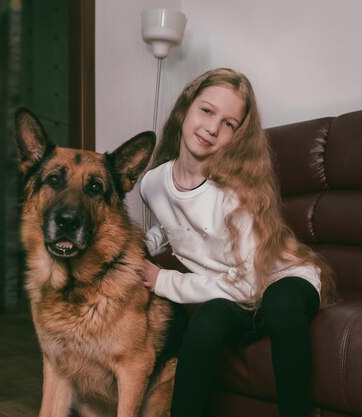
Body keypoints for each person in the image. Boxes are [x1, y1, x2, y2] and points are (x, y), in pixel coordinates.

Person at [139, 68, 336, 417]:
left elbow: (247, 284)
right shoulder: (153, 183)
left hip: (279, 280)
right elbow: (171, 226)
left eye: (229, 123)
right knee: (206, 321)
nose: (213, 128)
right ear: (186, 108)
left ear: (238, 136)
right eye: (207, 110)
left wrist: (164, 280)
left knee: (282, 306)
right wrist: (140, 245)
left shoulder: (234, 194)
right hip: (236, 295)